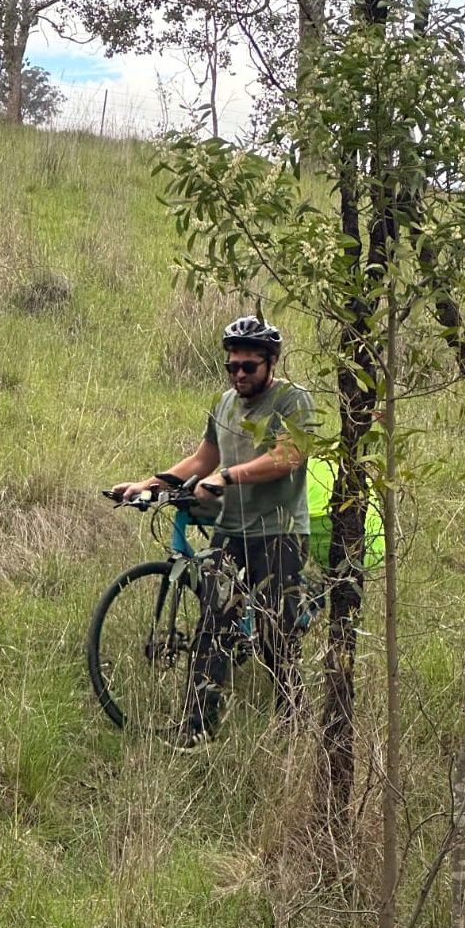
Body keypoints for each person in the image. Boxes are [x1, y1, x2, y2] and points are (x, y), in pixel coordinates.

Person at [113, 316, 315, 747]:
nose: (239, 374)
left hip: (278, 531)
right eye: (232, 366)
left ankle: (294, 727)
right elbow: (200, 460)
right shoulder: (223, 404)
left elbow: (290, 456)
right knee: (211, 628)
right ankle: (197, 731)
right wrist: (146, 485)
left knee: (277, 636)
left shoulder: (293, 401)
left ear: (271, 363)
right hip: (230, 531)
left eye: (249, 366)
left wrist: (230, 476)